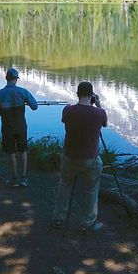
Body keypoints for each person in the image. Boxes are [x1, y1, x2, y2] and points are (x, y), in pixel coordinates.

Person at [52, 81, 107, 232]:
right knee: (91, 188)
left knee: (64, 185)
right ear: (92, 96)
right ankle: (88, 222)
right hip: (90, 159)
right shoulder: (99, 113)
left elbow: (65, 121)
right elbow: (105, 123)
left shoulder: (68, 110)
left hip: (69, 157)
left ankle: (58, 218)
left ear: (77, 94)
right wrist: (98, 104)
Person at [0, 68, 38, 187]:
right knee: (22, 151)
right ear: (16, 79)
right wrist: (25, 102)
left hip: (7, 127)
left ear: (6, 78)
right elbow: (35, 106)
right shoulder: (23, 92)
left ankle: (14, 178)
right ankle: (23, 178)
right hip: (21, 127)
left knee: (11, 152)